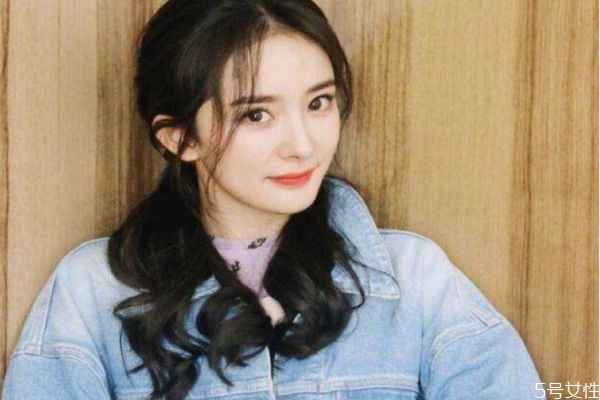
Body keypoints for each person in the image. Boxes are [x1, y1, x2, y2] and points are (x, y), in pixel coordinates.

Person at [2, 0, 546, 399]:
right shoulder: (93, 292)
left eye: (318, 102)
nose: (304, 144)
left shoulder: (415, 281)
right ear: (180, 137)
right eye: (257, 114)